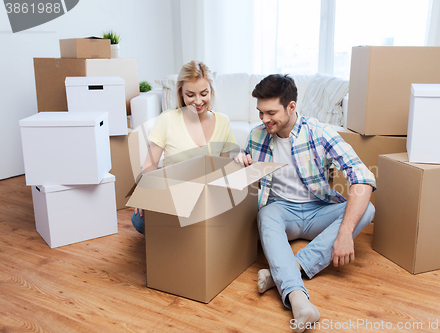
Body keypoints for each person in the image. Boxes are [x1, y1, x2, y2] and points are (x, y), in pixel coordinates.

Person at [235, 74, 376, 332]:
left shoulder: (319, 133)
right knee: (266, 215)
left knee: (367, 208)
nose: (264, 119)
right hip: (281, 211)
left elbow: (362, 177)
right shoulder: (256, 137)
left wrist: (345, 233)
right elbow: (247, 180)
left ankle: (289, 268)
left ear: (291, 106)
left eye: (270, 112)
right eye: (260, 112)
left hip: (317, 210)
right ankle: (299, 301)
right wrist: (242, 164)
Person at [131, 60, 237, 234]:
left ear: (211, 91)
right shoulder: (167, 119)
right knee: (139, 220)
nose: (198, 101)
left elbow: (223, 168)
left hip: (206, 196)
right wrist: (145, 194)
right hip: (172, 195)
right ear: (181, 93)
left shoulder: (223, 121)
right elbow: (149, 165)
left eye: (204, 93)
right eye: (190, 95)